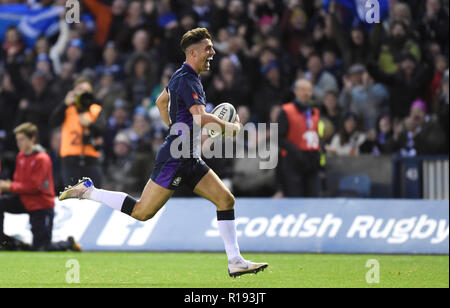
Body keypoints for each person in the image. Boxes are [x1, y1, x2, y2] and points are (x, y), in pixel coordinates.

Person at [58, 28, 268, 278]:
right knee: (142, 212)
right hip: (175, 158)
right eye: (207, 48)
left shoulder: (181, 76)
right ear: (193, 52)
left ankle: (235, 261)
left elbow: (161, 102)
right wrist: (231, 128)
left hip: (188, 155)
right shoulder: (188, 79)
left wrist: (175, 128)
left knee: (226, 200)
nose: (212, 53)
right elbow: (200, 117)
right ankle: (88, 191)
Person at [0, 123, 80, 251]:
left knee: (42, 247)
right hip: (25, 200)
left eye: (22, 139)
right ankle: (3, 241)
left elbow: (35, 186)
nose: (18, 143)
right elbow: (19, 181)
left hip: (41, 204)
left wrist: (9, 187)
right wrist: (10, 185)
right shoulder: (21, 157)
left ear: (32, 139)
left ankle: (69, 244)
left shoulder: (42, 159)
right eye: (17, 140)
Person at [50, 77, 106, 187]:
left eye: (86, 91)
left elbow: (103, 129)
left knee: (94, 197)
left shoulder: (96, 109)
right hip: (70, 160)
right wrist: (64, 104)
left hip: (91, 159)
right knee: (72, 198)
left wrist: (90, 125)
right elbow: (53, 122)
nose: (83, 94)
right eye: (80, 90)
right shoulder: (67, 108)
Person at [276, 79, 322, 197]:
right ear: (295, 92)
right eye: (302, 90)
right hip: (293, 162)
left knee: (314, 198)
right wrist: (295, 151)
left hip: (312, 161)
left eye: (309, 90)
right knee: (296, 199)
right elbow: (278, 137)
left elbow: (316, 134)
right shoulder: (286, 110)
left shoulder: (315, 112)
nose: (306, 93)